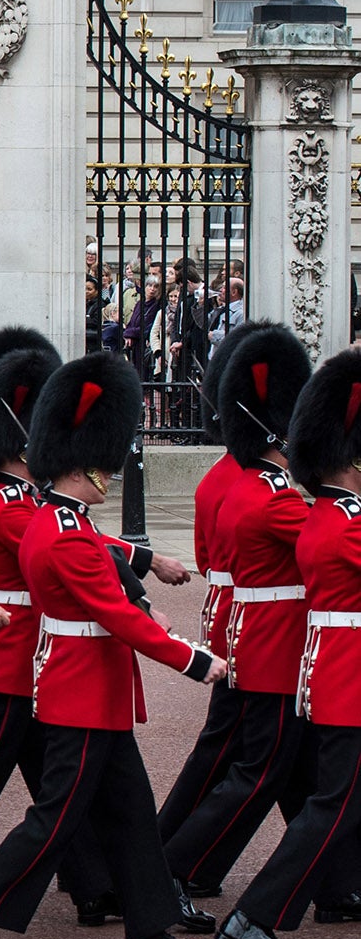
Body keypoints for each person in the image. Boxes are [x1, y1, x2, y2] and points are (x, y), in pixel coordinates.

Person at [0, 352, 225, 939]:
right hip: (81, 688)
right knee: (55, 817)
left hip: (91, 687)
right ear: (90, 467)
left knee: (129, 809)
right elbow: (117, 613)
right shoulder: (65, 533)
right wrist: (195, 660)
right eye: (106, 467)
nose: (110, 478)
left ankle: (148, 931)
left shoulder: (58, 520)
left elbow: (114, 591)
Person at [215, 347, 361, 939]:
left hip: (335, 673)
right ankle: (256, 915)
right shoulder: (345, 525)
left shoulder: (330, 515)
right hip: (347, 681)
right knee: (333, 804)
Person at [163, 324, 317, 907]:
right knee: (261, 767)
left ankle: (331, 876)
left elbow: (208, 559)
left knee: (295, 769)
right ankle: (175, 866)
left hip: (243, 626)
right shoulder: (273, 497)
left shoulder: (232, 483)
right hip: (273, 643)